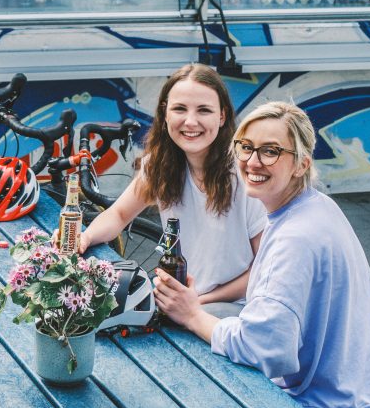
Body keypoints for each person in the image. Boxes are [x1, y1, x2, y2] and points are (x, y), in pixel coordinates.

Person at [153, 99, 370, 408]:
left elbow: (266, 350)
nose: (252, 161)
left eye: (271, 151)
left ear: (301, 164)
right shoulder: (317, 206)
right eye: (245, 147)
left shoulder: (293, 239)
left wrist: (193, 316)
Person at [79, 65, 265, 310]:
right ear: (165, 114)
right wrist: (84, 237)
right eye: (179, 109)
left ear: (222, 116)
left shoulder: (245, 175)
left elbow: (264, 266)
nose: (190, 121)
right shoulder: (160, 165)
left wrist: (198, 302)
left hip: (237, 306)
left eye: (204, 110)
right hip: (182, 300)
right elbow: (119, 214)